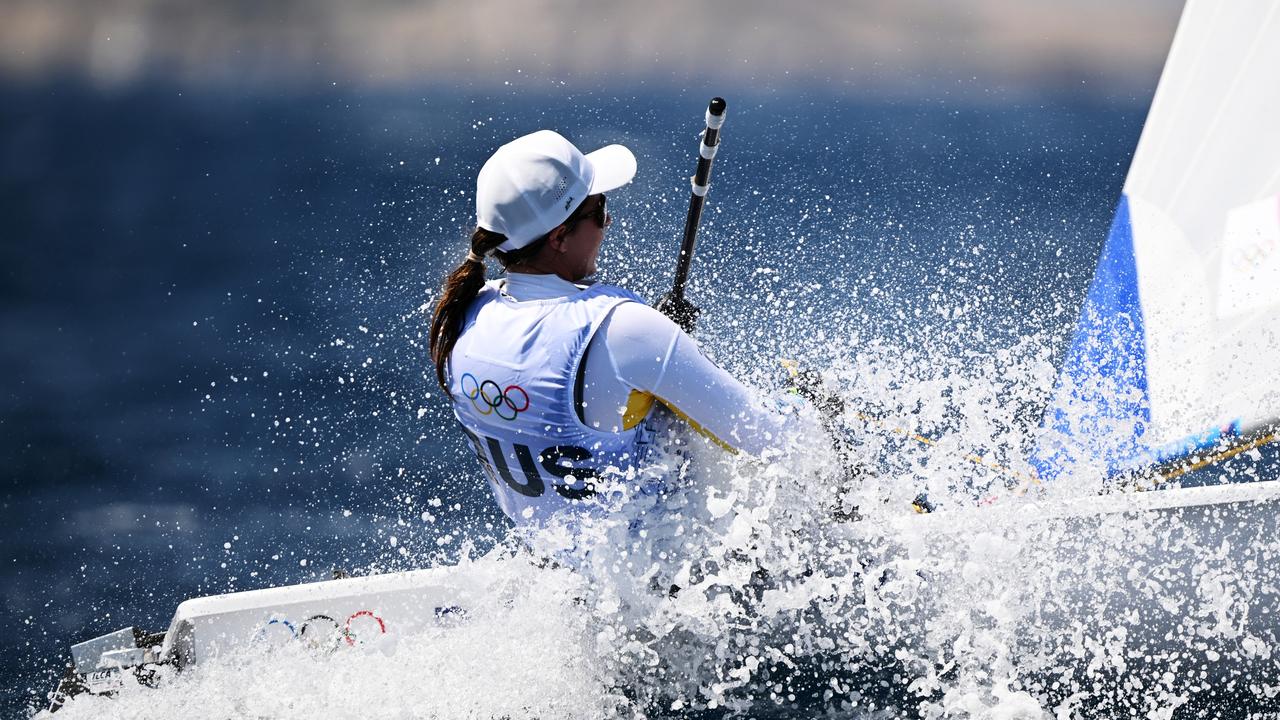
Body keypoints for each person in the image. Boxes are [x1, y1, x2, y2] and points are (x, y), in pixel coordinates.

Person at [429, 130, 804, 529]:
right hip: (668, 582)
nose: (608, 221)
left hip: (557, 572)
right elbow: (776, 443)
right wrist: (811, 401)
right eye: (599, 210)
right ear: (558, 237)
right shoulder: (625, 330)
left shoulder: (463, 314)